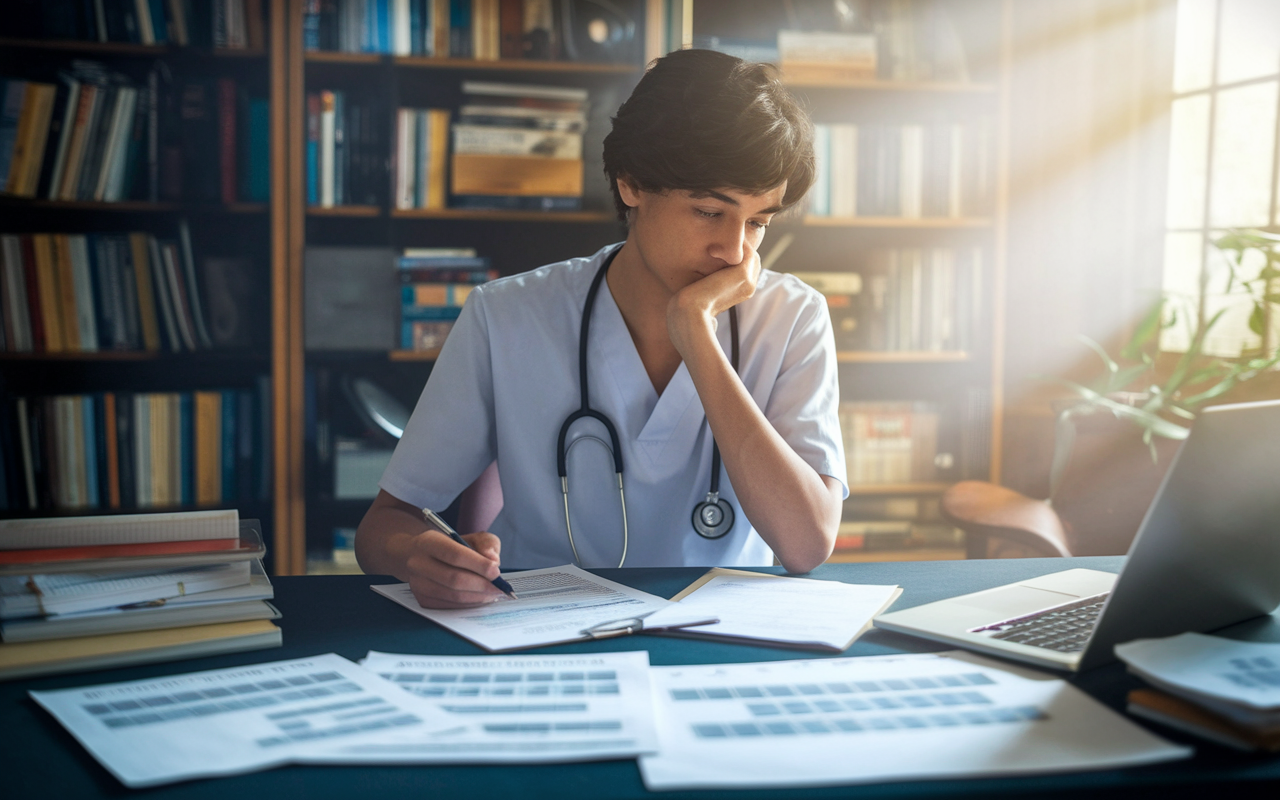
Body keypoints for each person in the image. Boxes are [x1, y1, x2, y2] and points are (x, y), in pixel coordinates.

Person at [356, 48, 846, 608]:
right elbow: (384, 526)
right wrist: (421, 556)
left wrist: (696, 333)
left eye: (757, 222)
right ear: (631, 183)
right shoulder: (507, 315)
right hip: (541, 630)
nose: (734, 251)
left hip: (726, 640)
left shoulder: (793, 316)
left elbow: (807, 544)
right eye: (710, 212)